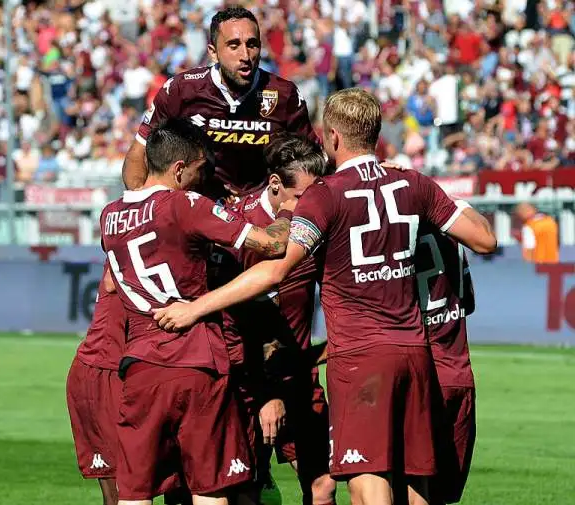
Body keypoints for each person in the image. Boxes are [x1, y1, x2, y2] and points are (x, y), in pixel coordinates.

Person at [152, 89, 497, 505]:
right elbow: (485, 239)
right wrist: (435, 194)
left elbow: (276, 269)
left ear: (332, 136)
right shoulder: (414, 183)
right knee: (416, 483)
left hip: (360, 358)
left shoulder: (325, 194)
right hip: (414, 353)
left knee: (368, 483)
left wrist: (196, 308)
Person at [100, 117, 295, 505]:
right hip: (195, 361)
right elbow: (271, 244)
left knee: (134, 494)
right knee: (210, 490)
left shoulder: (110, 215)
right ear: (178, 169)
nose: (204, 180)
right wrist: (288, 211)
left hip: (140, 366)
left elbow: (110, 283)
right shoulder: (185, 204)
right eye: (200, 170)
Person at [210, 133, 336, 505]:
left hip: (298, 379)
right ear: (276, 184)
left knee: (324, 487)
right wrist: (267, 394)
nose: (309, 206)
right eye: (301, 197)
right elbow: (229, 322)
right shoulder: (240, 227)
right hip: (247, 381)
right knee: (244, 492)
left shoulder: (320, 220)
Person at [122, 6, 316, 198]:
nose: (245, 56)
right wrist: (140, 203)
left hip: (263, 207)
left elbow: (312, 161)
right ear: (213, 52)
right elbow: (138, 154)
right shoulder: (180, 91)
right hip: (200, 206)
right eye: (233, 45)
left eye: (252, 44)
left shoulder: (284, 94)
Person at [415, 215, 477, 505]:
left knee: (408, 487)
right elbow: (469, 304)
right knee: (440, 493)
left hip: (420, 376)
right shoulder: (455, 238)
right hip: (458, 373)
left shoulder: (396, 238)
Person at [66, 265, 127, 505]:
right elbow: (113, 280)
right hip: (104, 372)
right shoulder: (128, 255)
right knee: (121, 491)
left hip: (149, 370)